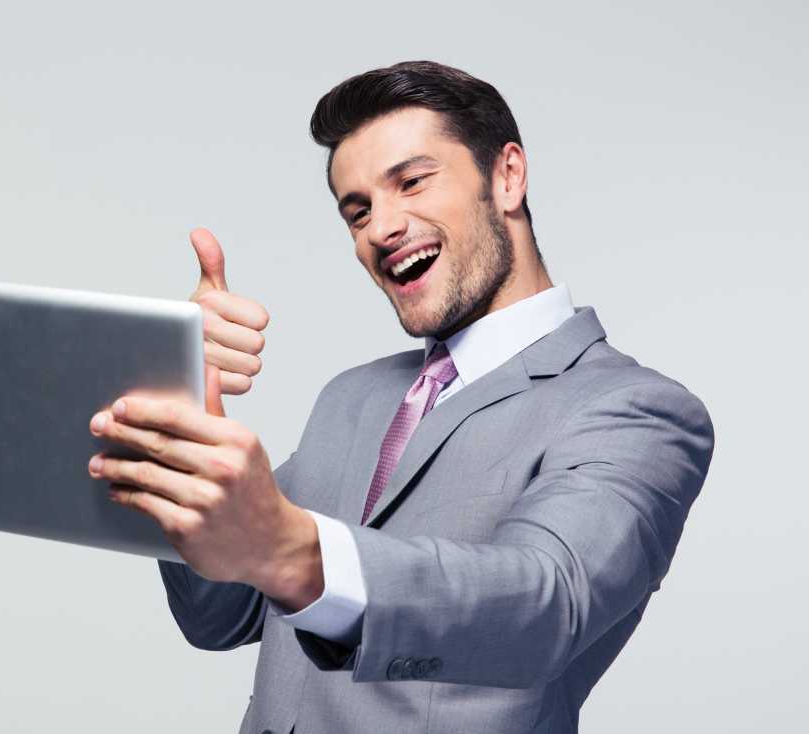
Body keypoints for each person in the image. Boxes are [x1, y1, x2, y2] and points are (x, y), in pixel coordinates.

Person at [86, 60, 715, 734]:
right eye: (357, 211)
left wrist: (294, 550)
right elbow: (217, 616)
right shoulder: (350, 397)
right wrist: (185, 403)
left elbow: (545, 606)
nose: (381, 228)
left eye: (412, 182)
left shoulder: (637, 411)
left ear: (507, 176)